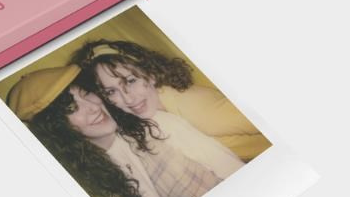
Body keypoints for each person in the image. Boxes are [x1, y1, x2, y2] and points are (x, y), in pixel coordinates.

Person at [6, 65, 239, 197]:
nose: (93, 107)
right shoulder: (100, 179)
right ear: (57, 129)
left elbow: (235, 172)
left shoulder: (156, 126)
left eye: (86, 94)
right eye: (71, 108)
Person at [71, 40, 269, 162]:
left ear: (150, 74)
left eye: (131, 81)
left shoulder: (200, 110)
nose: (128, 98)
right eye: (111, 91)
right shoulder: (152, 114)